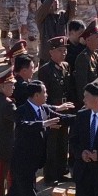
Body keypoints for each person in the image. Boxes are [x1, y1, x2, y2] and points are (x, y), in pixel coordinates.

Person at [0, 81, 67, 196]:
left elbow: (62, 118)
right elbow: (24, 125)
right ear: (36, 96)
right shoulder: (22, 110)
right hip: (21, 163)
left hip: (33, 163)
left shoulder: (43, 108)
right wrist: (44, 124)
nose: (46, 95)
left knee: (15, 194)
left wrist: (87, 114)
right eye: (44, 92)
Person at [38, 36, 73, 184]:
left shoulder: (66, 66)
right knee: (52, 144)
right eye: (60, 50)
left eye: (65, 50)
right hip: (53, 109)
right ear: (51, 52)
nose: (63, 53)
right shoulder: (45, 70)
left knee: (63, 142)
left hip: (65, 109)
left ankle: (61, 171)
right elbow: (44, 95)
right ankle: (50, 175)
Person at [35, 0, 69, 65]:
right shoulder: (41, 18)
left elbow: (71, 13)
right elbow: (42, 10)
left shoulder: (61, 15)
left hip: (62, 56)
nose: (56, 1)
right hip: (47, 56)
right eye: (53, 0)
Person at [73, 21, 98, 102]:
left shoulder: (95, 54)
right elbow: (82, 85)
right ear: (88, 40)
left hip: (96, 99)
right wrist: (86, 102)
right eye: (97, 37)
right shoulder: (83, 58)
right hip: (88, 101)